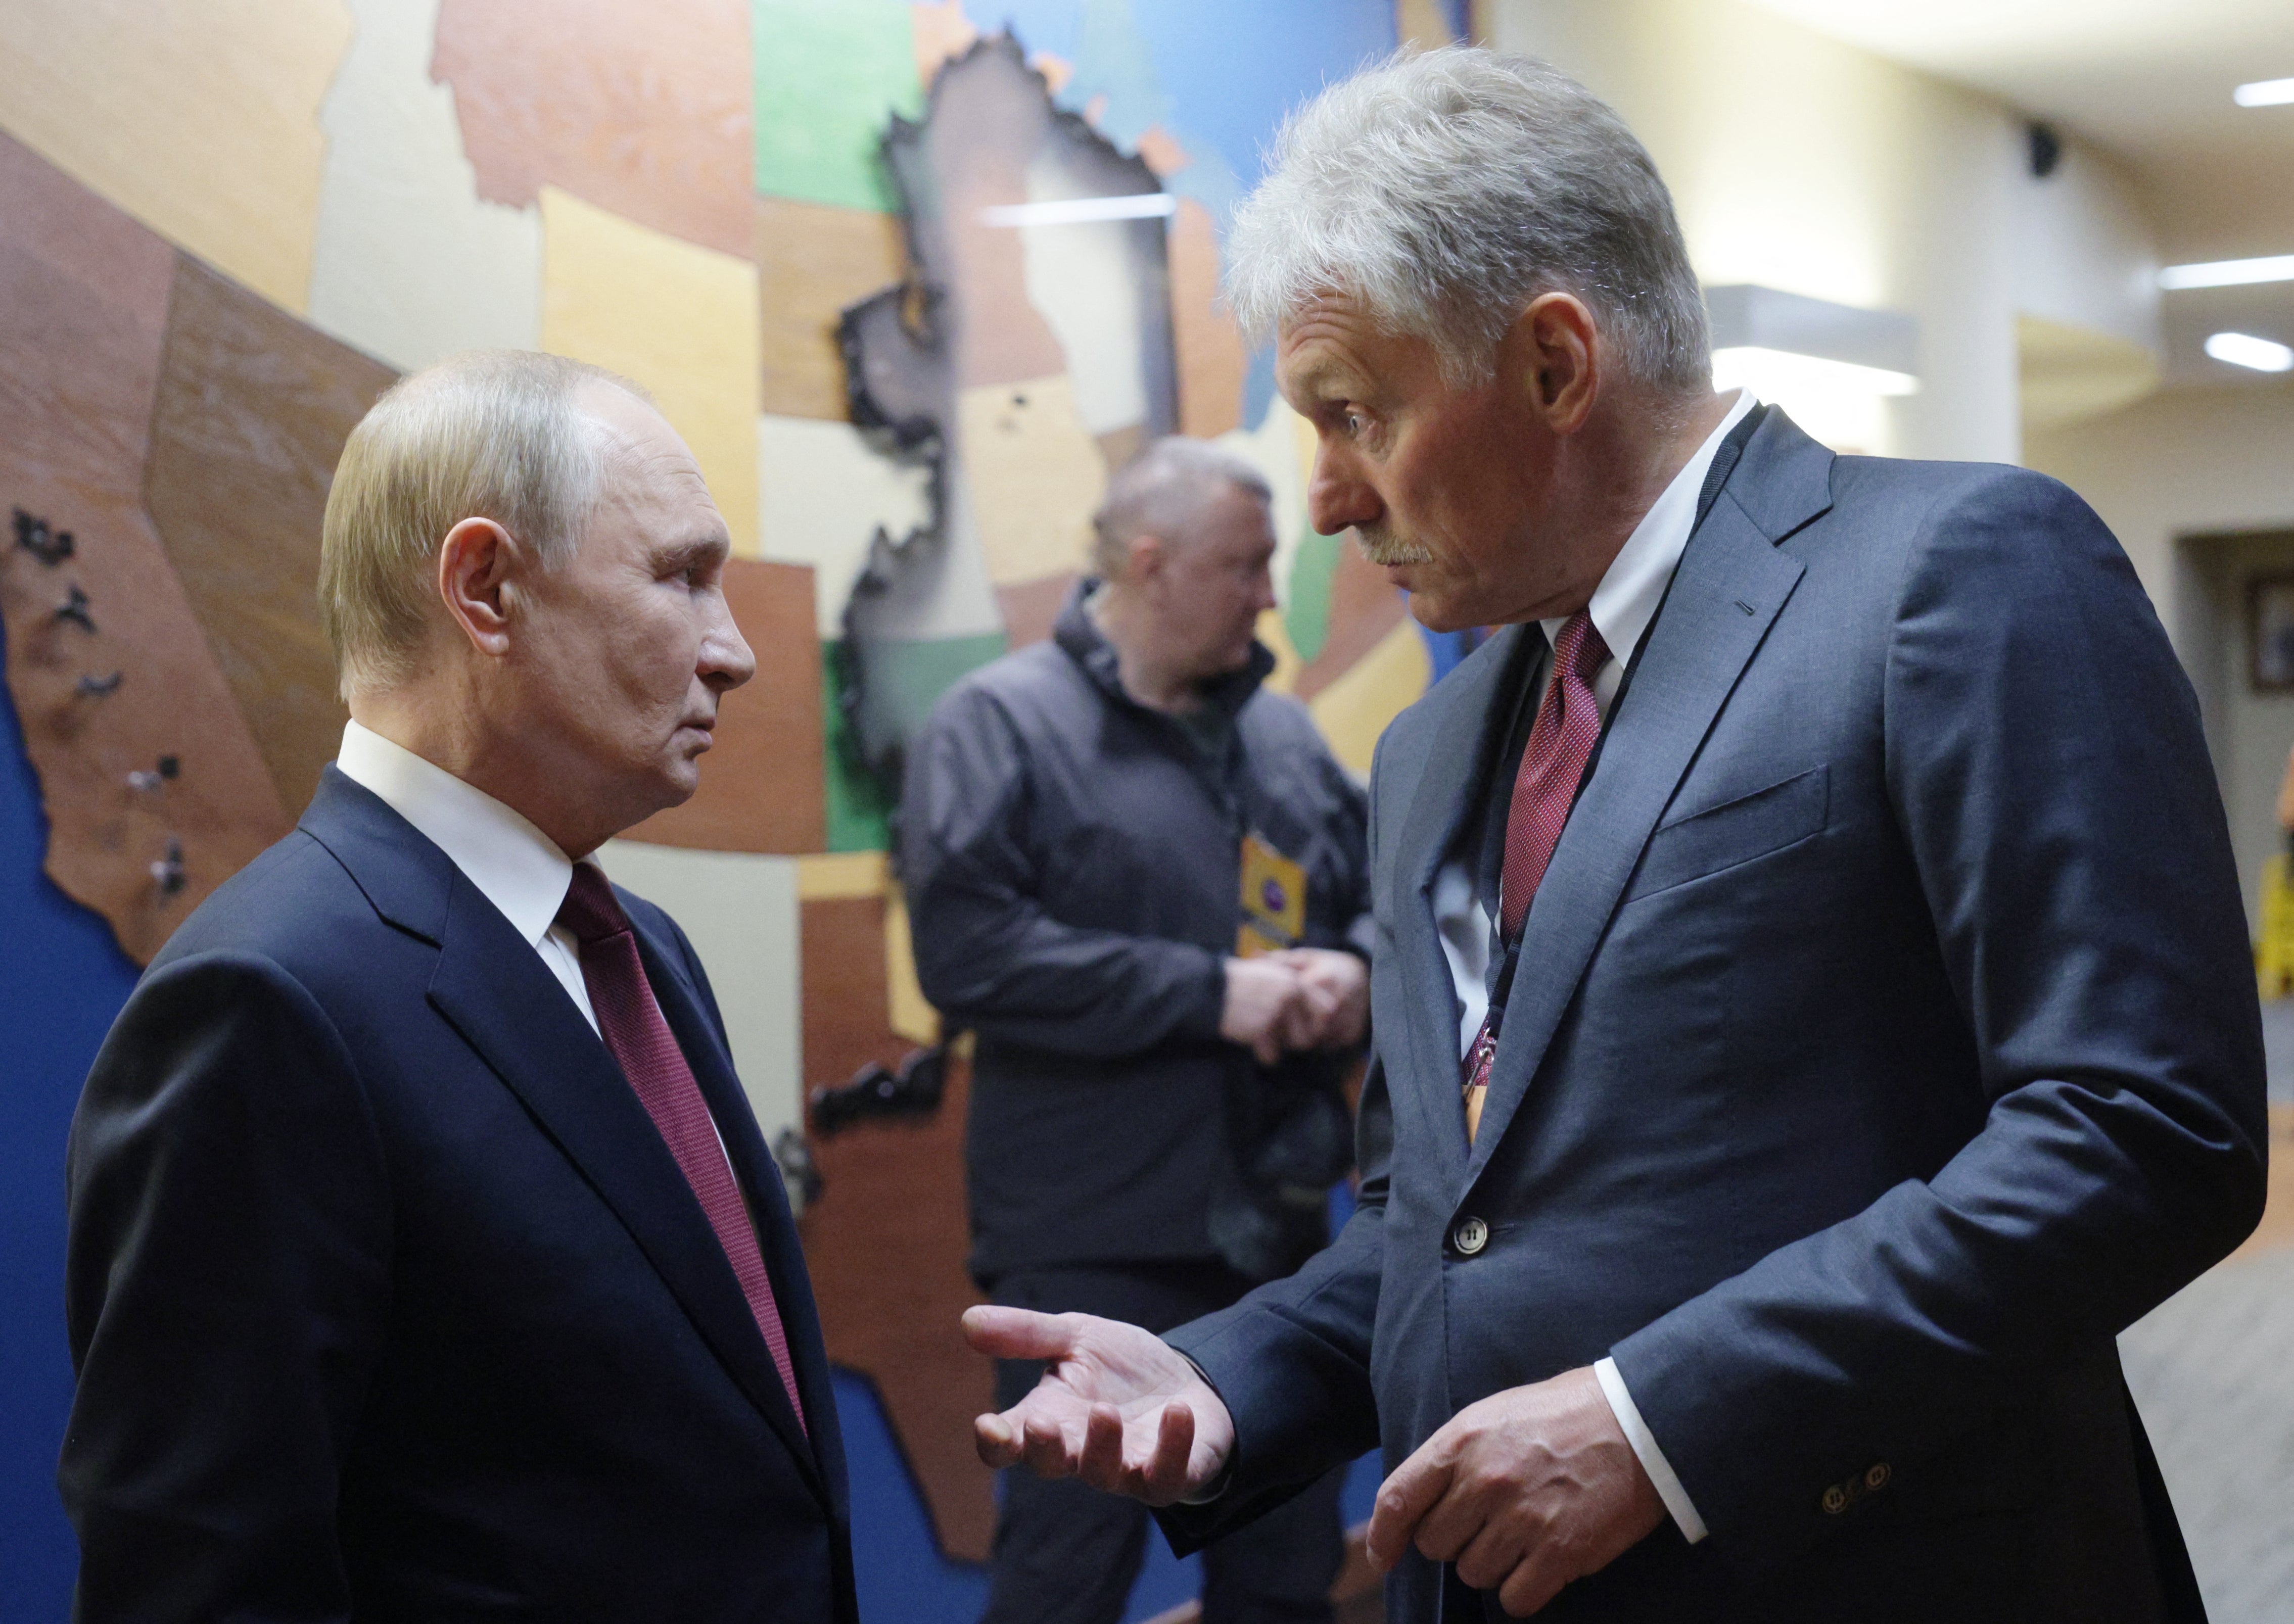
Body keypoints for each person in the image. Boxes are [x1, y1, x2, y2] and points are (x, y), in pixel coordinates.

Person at [960, 46, 2268, 1624]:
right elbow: (1443, 1216)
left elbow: (2143, 1129)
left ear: (1553, 365)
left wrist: (1660, 1420)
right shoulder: (1435, 741)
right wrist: (1221, 1377)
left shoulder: (1955, 572)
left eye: (1354, 414)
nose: (1323, 500)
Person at [60, 352, 855, 1622]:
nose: (735, 651)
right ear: (485, 589)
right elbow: (201, 1584)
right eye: (681, 576)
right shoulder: (268, 1004)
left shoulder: (639, 950)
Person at [902, 437, 1373, 1624]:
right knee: (1064, 1579)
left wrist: (1359, 972)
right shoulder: (997, 723)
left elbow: (1387, 893)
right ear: (1150, 563)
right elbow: (966, 955)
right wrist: (1213, 992)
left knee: (1284, 1583)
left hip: (1276, 1244)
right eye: (1245, 565)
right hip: (1088, 1242)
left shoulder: (1284, 739)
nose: (1270, 594)